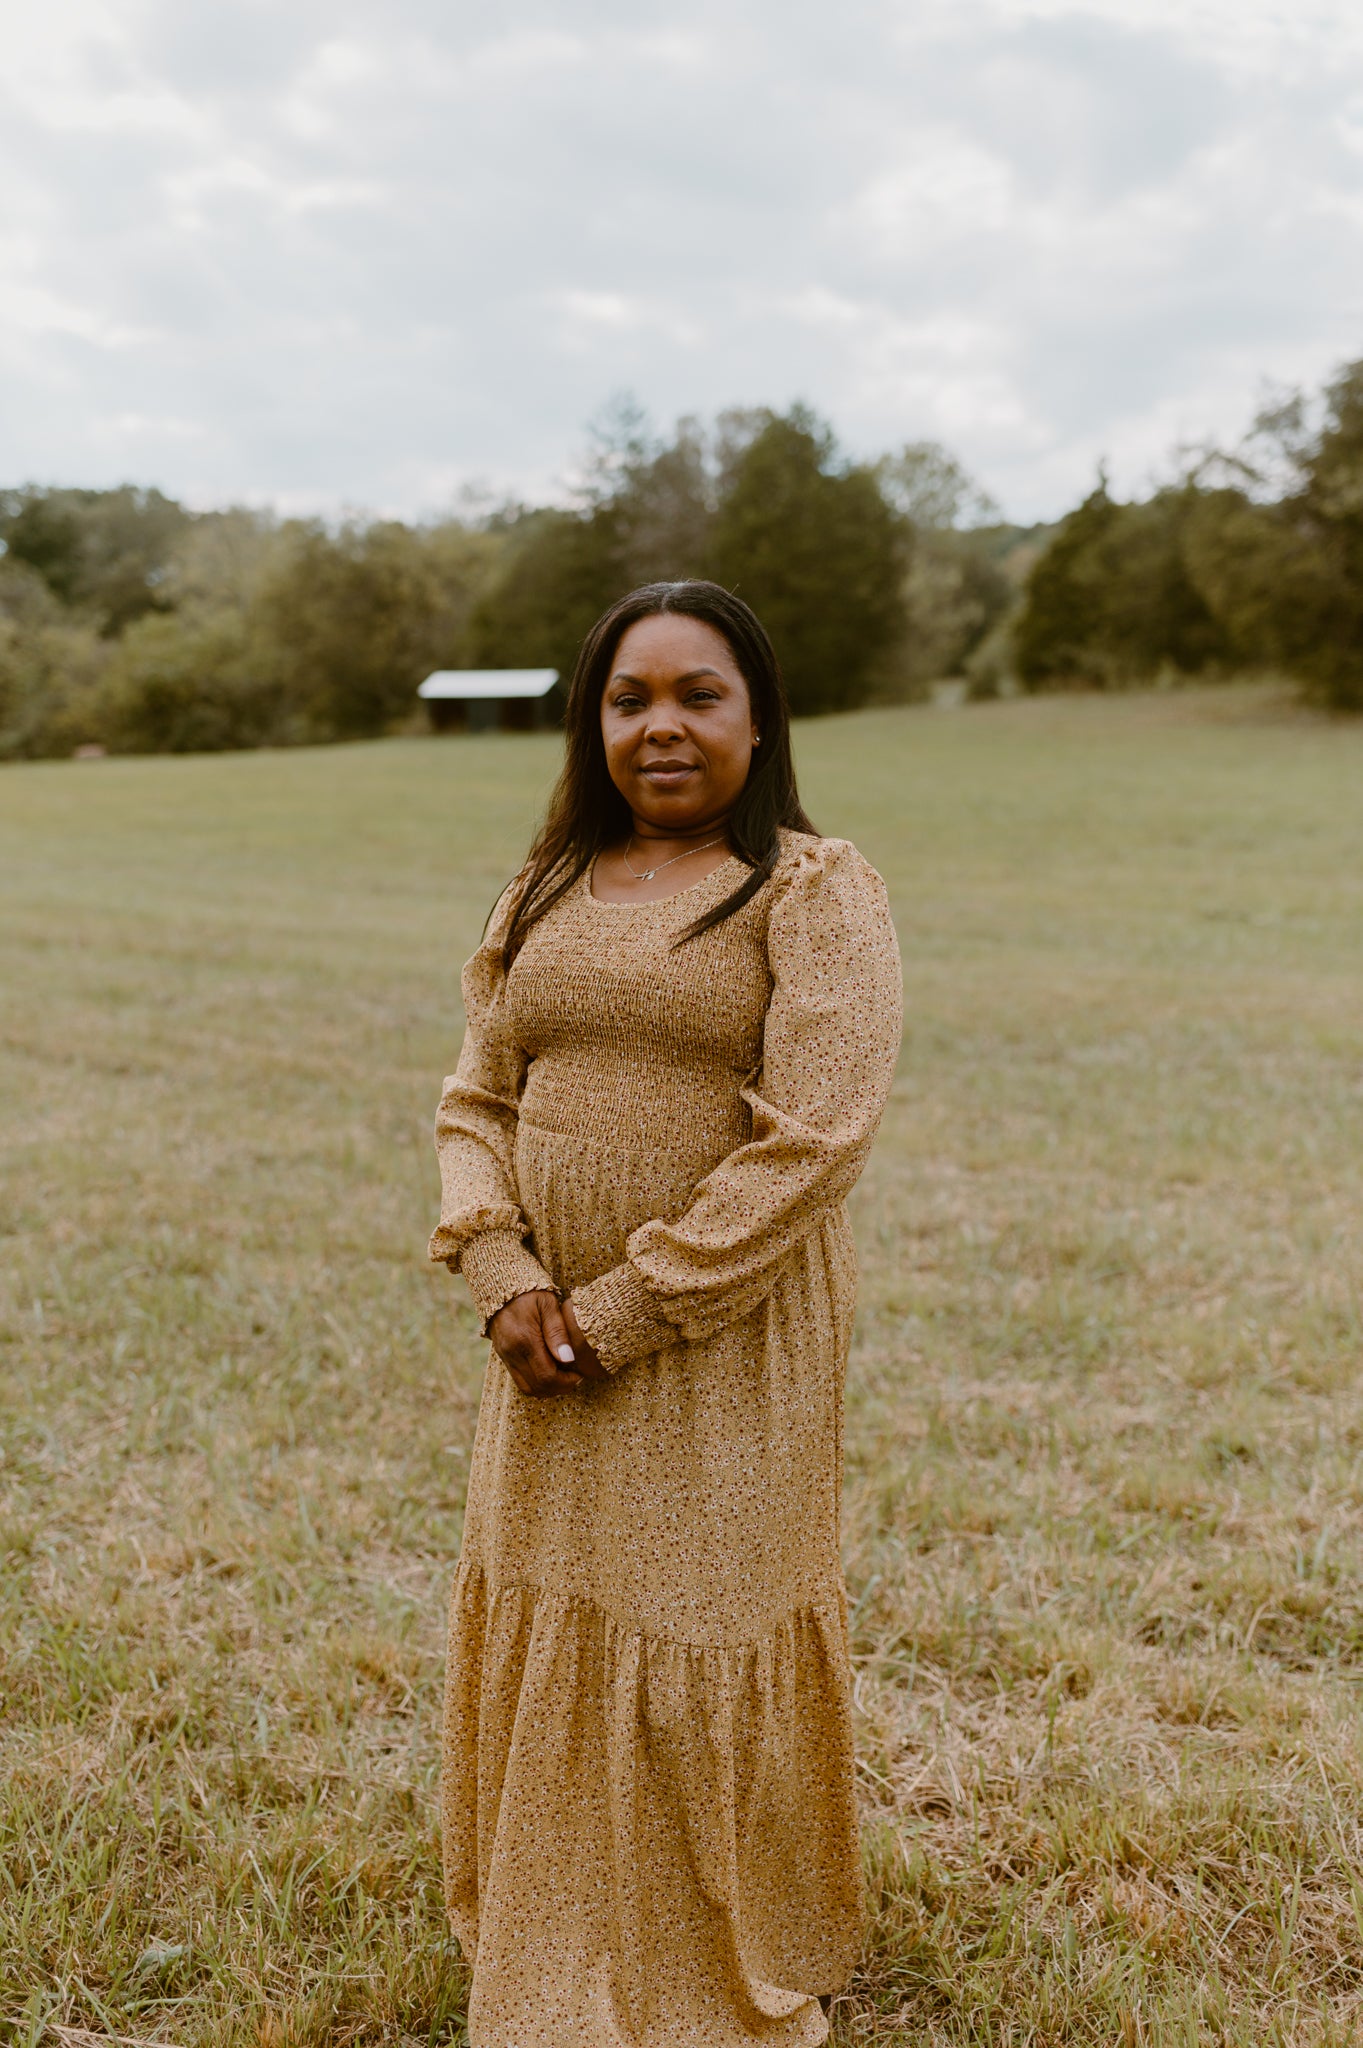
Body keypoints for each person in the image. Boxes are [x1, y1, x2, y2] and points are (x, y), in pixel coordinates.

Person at [429, 580, 903, 2047]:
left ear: (759, 722)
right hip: (540, 1343)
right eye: (631, 699)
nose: (662, 726)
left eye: (699, 694)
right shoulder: (547, 885)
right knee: (564, 1604)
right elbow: (473, 1098)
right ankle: (552, 1926)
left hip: (719, 1329)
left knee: (698, 1615)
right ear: (594, 722)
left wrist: (625, 1308)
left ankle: (711, 1948)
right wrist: (504, 1274)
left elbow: (815, 1139)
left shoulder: (811, 891)